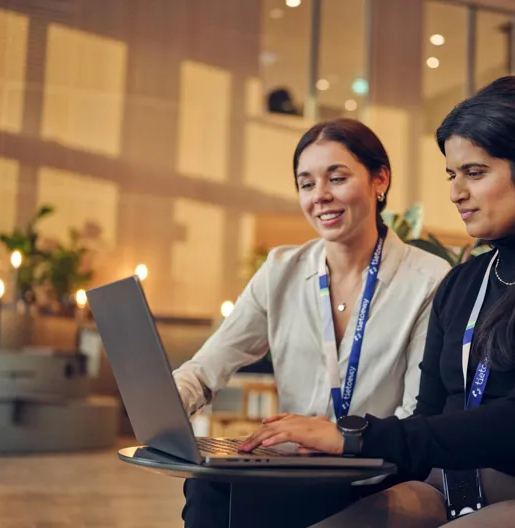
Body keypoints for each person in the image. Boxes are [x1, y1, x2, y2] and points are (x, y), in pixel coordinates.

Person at [241, 76, 515, 527]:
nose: (455, 192)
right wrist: (320, 455)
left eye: (475, 172)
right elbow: (429, 421)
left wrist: (354, 437)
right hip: (447, 492)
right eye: (452, 174)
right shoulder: (463, 283)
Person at [173, 117, 451, 527]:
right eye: (307, 184)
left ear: (380, 181)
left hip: (376, 469)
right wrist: (169, 403)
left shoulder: (428, 279)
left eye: (336, 178)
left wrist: (346, 437)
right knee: (208, 484)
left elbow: (416, 417)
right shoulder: (281, 270)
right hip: (295, 464)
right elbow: (205, 369)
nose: (320, 196)